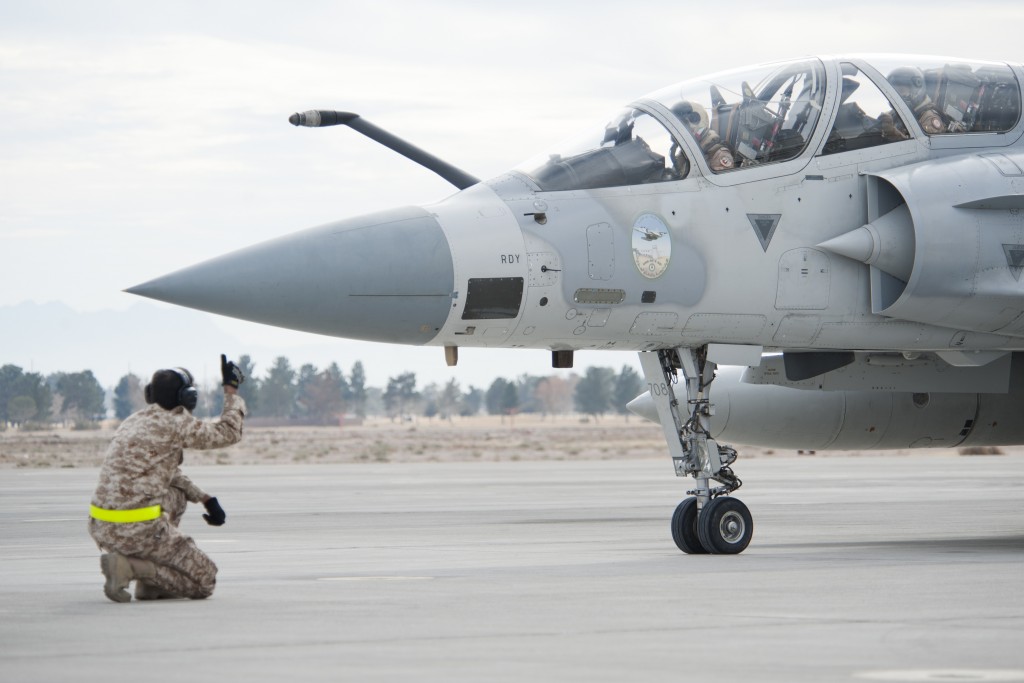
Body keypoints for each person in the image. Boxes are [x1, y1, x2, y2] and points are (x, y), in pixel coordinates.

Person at [88, 355, 246, 603]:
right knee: (205, 581)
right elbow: (228, 433)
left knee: (178, 496)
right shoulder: (176, 423)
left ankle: (151, 586)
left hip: (102, 527)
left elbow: (165, 472)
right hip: (137, 530)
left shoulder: (134, 421)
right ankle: (132, 569)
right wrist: (231, 390)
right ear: (187, 397)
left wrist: (204, 498)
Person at [887, 66, 946, 136]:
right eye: (895, 91)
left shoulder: (928, 117)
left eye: (902, 90)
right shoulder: (896, 113)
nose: (898, 95)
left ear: (916, 90)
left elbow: (924, 145)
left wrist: (894, 134)